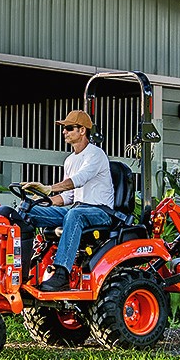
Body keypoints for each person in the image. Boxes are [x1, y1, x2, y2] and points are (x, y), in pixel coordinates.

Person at [22, 109, 114, 292]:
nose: (64, 131)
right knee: (27, 212)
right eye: (64, 128)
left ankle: (61, 274)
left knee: (75, 214)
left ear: (82, 131)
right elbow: (68, 196)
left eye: (69, 128)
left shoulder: (96, 154)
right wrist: (41, 200)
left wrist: (49, 188)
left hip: (101, 212)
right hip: (77, 208)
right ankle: (22, 268)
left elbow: (79, 179)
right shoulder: (70, 160)